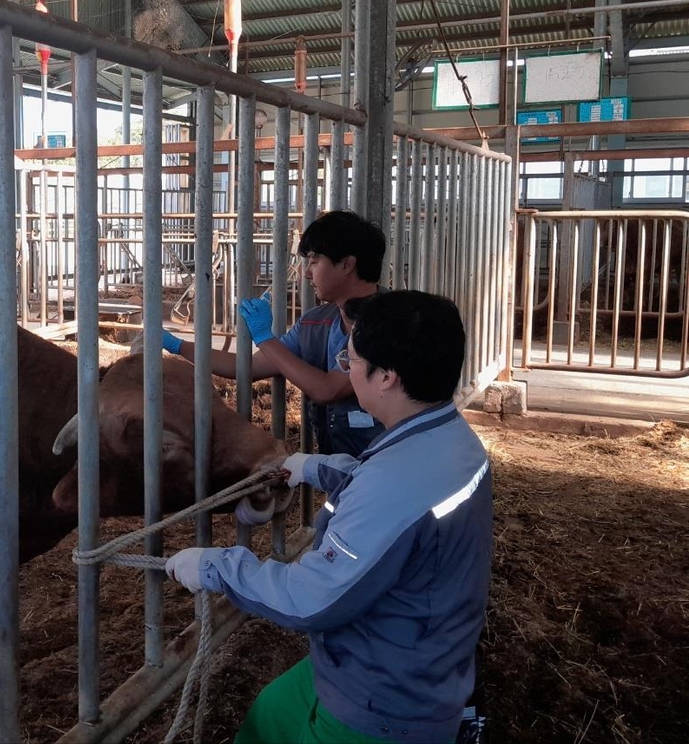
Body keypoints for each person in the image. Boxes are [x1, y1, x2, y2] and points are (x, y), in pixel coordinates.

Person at [165, 290, 493, 744]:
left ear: (386, 378)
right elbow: (389, 492)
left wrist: (216, 567)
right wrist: (317, 467)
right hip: (408, 649)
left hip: (385, 698)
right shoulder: (449, 438)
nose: (345, 367)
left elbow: (310, 599)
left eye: (351, 359)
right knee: (269, 717)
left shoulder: (393, 486)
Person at [162, 210, 387, 457]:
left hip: (389, 461)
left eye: (313, 261)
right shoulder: (315, 323)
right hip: (339, 464)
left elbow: (326, 390)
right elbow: (247, 367)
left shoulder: (394, 323)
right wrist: (175, 344)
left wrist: (264, 337)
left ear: (347, 264)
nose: (306, 273)